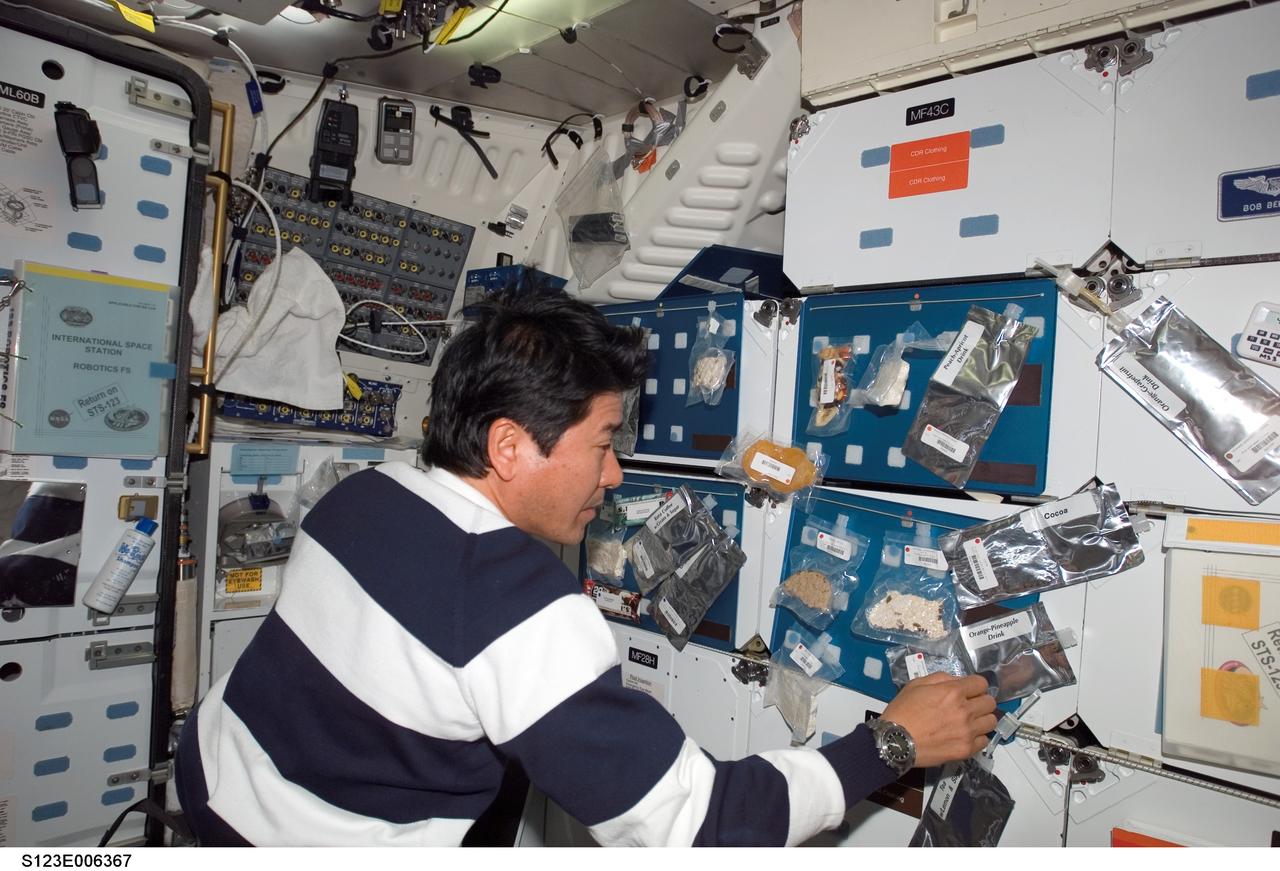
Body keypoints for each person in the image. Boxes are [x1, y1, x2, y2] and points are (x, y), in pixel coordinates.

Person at [173, 289, 997, 846]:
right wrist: (890, 742)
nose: (613, 478)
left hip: (214, 797)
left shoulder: (364, 498)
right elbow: (698, 826)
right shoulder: (513, 601)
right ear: (507, 445)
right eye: (603, 443)